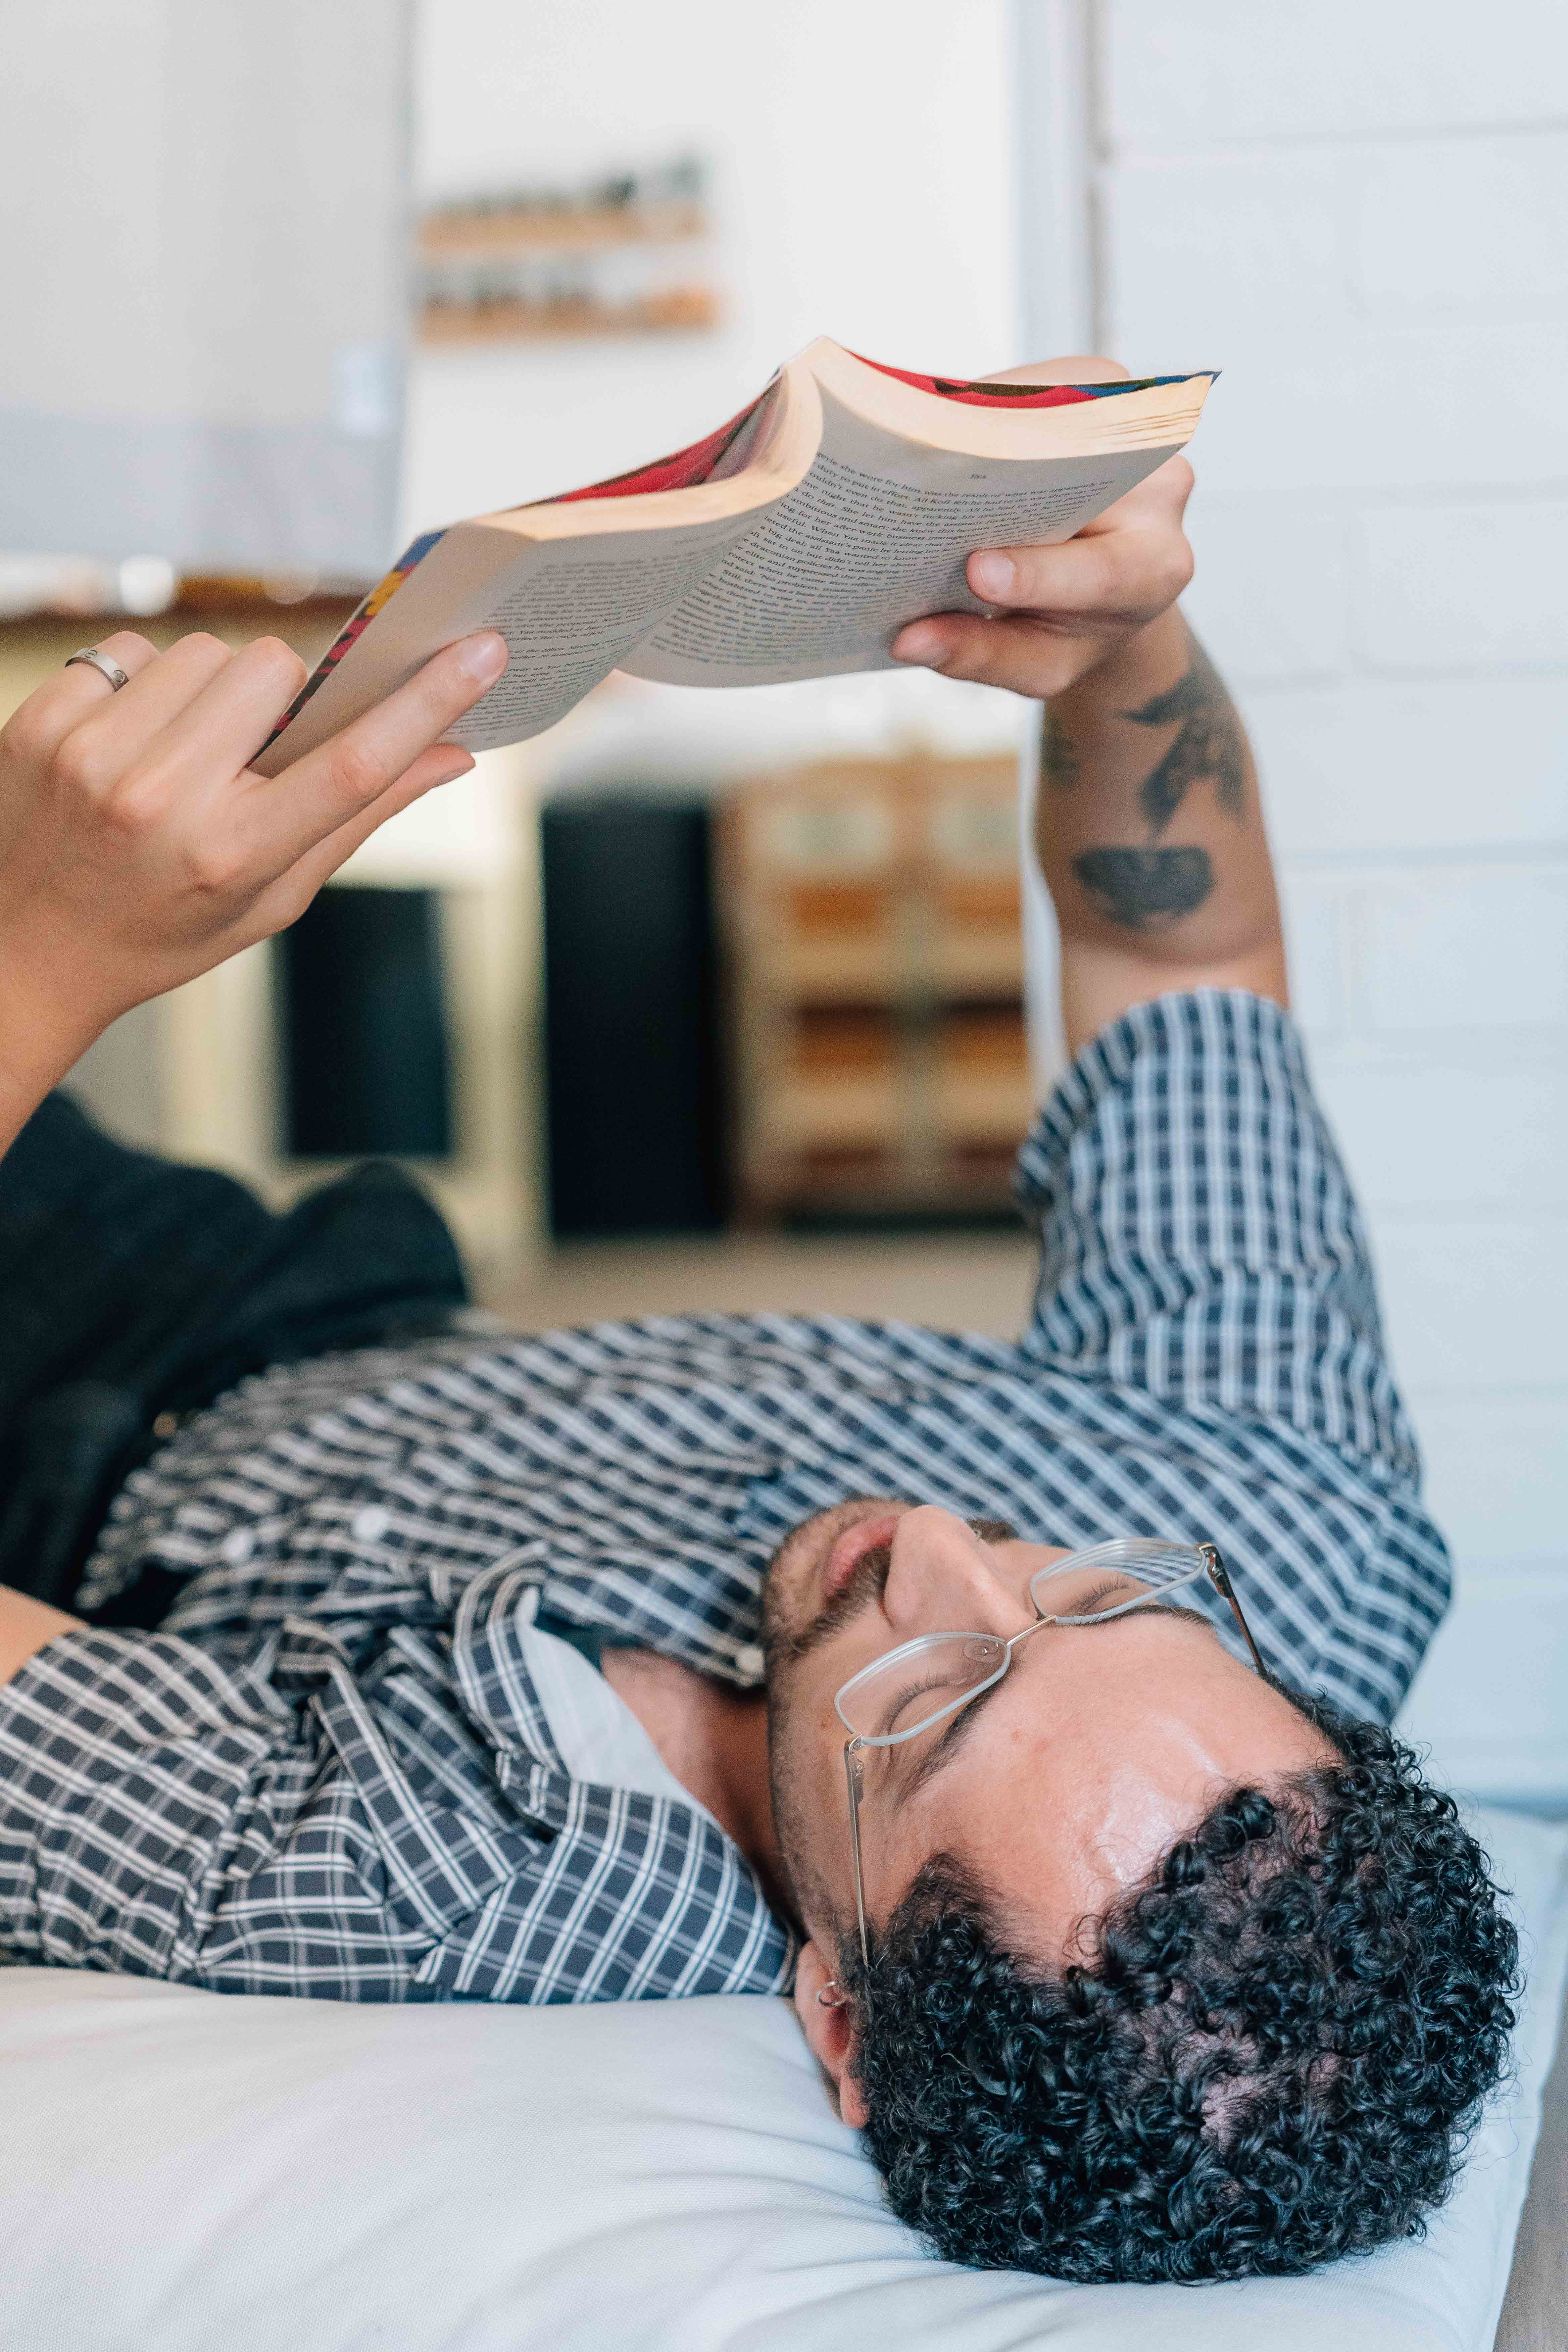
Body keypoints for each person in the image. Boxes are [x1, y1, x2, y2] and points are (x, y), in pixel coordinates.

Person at [0, 362, 1517, 2287]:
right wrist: (1126, 646)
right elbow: (1180, 942)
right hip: (299, 1300)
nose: (943, 1548)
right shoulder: (1291, 1519)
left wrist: (42, 943)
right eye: (1112, 1599)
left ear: (842, 2018)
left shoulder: (475, 1879)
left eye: (934, 1707)